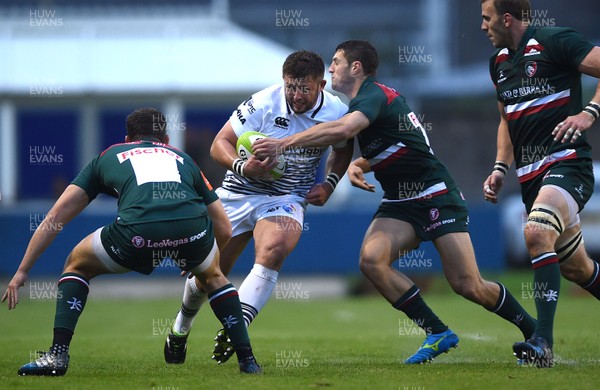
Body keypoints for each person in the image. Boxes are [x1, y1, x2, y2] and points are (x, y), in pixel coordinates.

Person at [253, 40, 538, 365]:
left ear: (355, 67)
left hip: (435, 195)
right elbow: (398, 145)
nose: (331, 68)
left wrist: (283, 144)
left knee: (468, 285)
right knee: (371, 261)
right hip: (400, 201)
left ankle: (535, 333)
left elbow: (344, 130)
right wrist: (359, 166)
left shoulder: (373, 94)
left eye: (336, 61)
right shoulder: (365, 101)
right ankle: (437, 332)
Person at [1, 107, 262, 375]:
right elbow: (224, 227)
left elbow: (56, 216)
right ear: (167, 140)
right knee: (214, 276)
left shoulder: (109, 155)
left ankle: (57, 356)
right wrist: (201, 257)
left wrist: (23, 270)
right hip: (191, 230)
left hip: (137, 234)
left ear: (128, 139)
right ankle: (248, 362)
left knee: (77, 263)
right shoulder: (182, 158)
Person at [163, 50, 352, 365]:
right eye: (290, 86)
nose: (296, 95)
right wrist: (242, 166)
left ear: (321, 84)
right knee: (210, 271)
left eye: (304, 88)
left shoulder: (337, 112)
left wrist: (331, 182)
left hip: (286, 197)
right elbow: (219, 144)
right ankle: (181, 326)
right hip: (239, 193)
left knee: (274, 250)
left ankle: (238, 327)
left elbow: (343, 149)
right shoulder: (262, 103)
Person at [480, 0, 600, 367]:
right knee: (577, 269)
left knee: (535, 233)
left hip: (568, 166)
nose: (482, 26)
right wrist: (501, 166)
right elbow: (506, 118)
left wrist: (589, 112)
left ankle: (541, 343)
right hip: (531, 179)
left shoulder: (554, 40)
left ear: (506, 17)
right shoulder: (498, 63)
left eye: (486, 18)